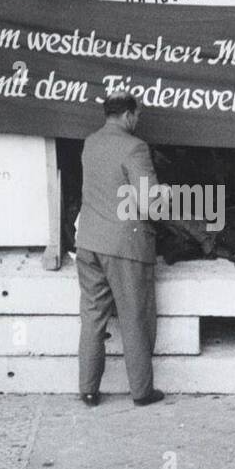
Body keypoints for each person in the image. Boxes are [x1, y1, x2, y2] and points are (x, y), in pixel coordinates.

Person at [76, 93, 167, 406]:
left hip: (88, 242)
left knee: (92, 318)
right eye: (137, 115)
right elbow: (150, 205)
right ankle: (142, 392)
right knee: (134, 317)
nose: (138, 120)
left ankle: (88, 390)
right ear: (129, 114)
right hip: (124, 244)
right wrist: (165, 193)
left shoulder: (90, 142)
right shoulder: (135, 147)